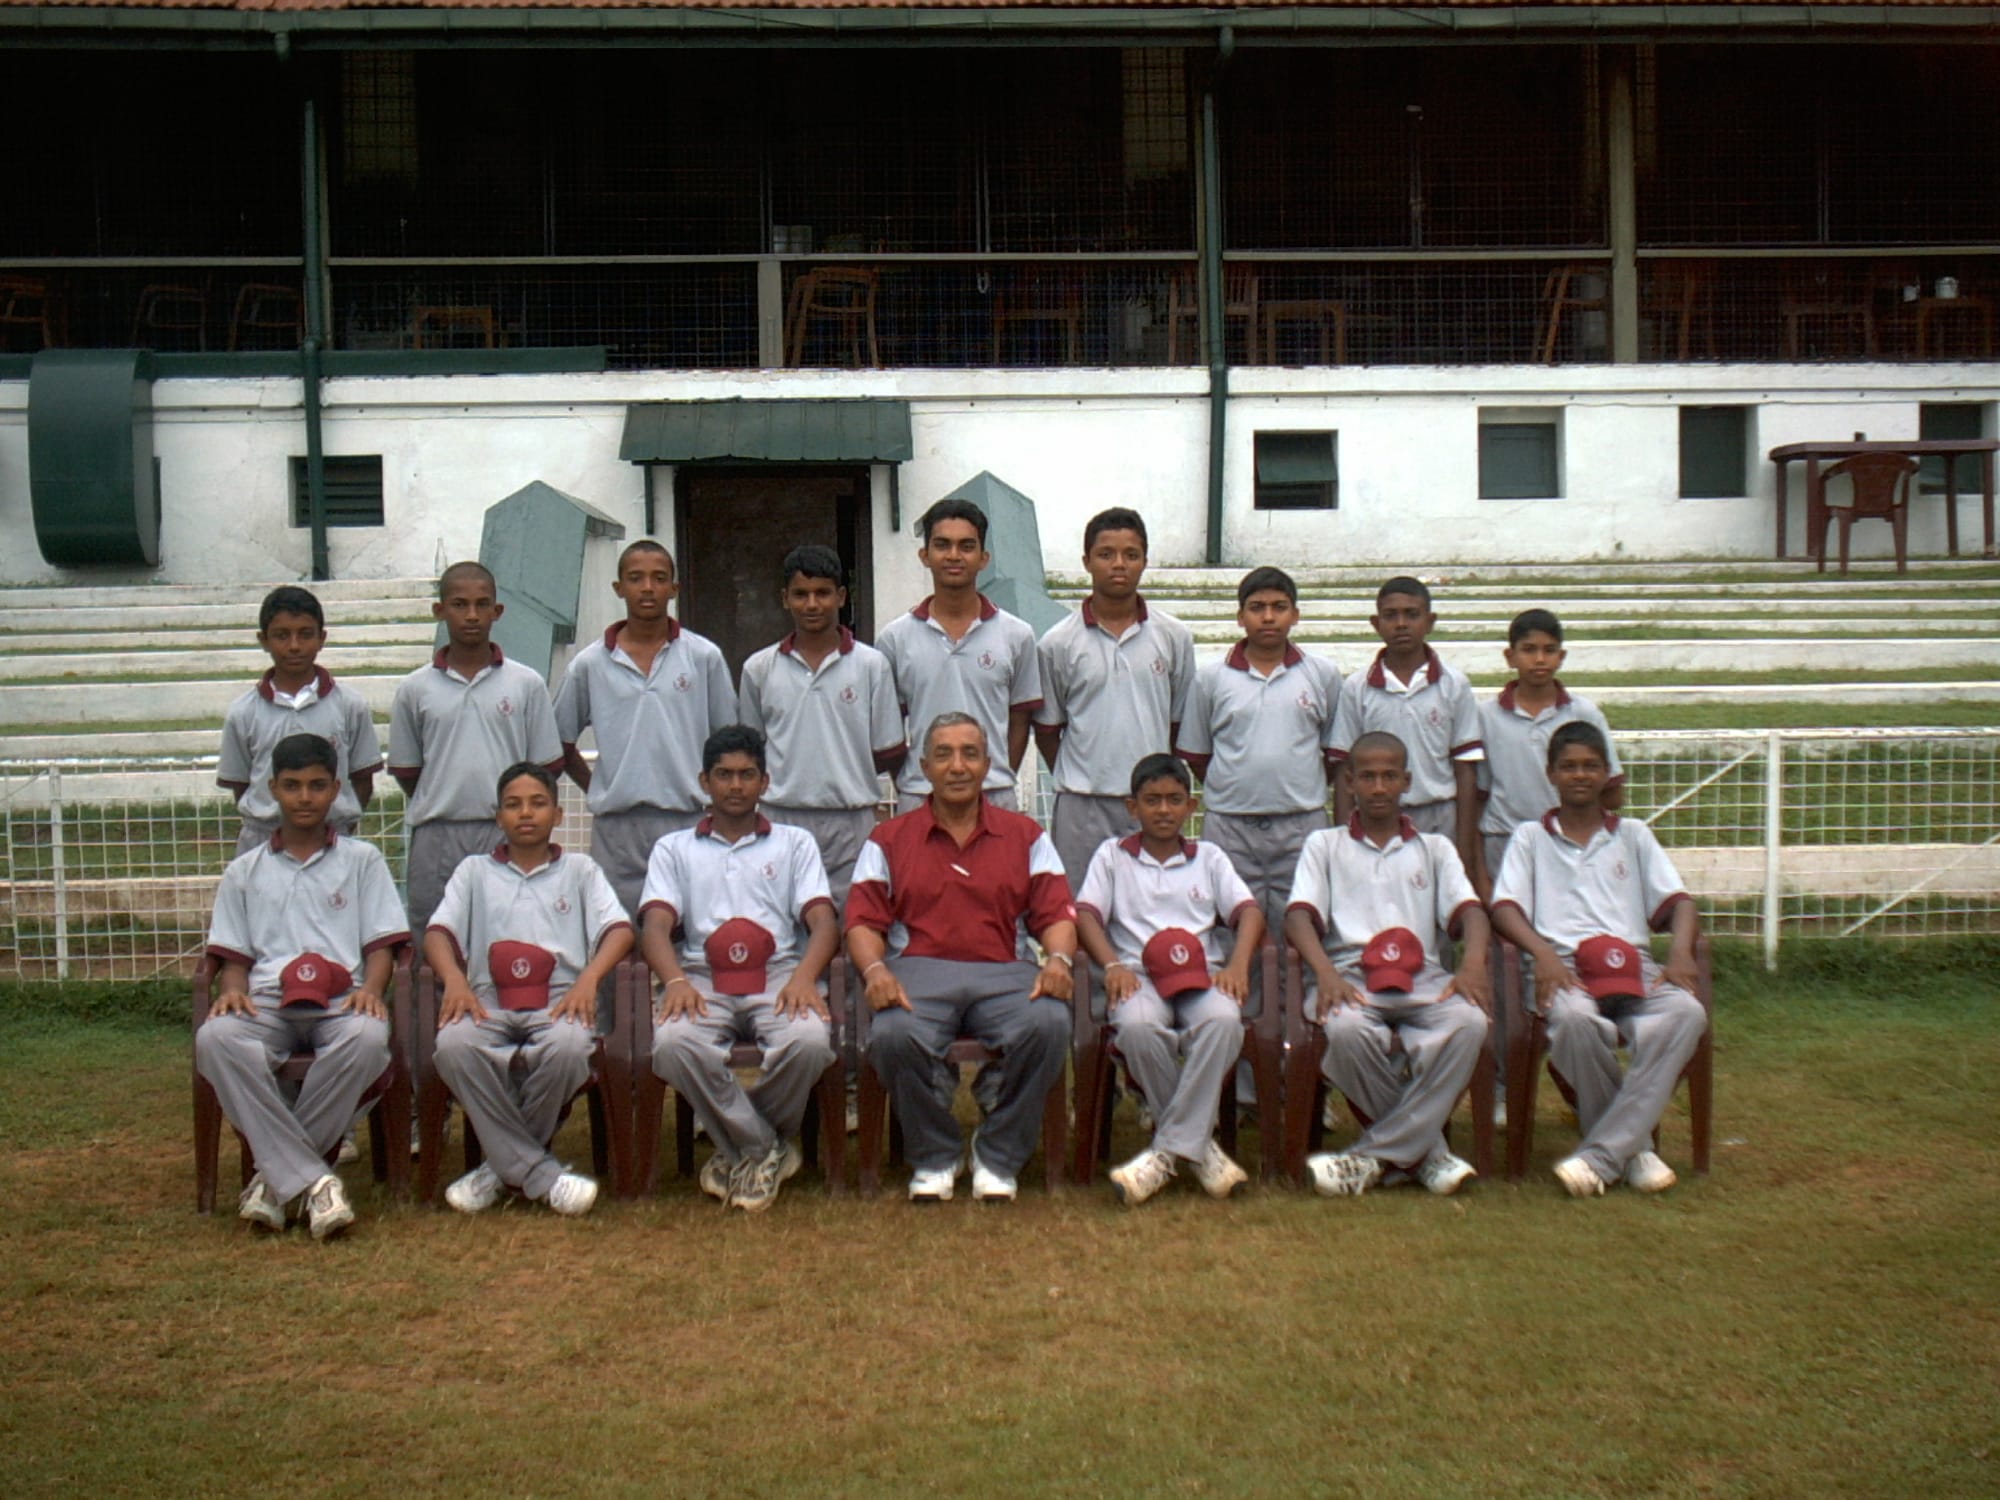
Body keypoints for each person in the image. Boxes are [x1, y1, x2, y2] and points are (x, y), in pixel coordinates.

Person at [845, 712, 1077, 1203]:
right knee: (893, 1034)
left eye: (970, 754)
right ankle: (935, 1155)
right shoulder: (888, 838)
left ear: (988, 765)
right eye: (944, 755)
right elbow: (863, 921)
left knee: (1050, 1022)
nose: (957, 766)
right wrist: (875, 970)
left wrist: (1059, 960)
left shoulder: (1025, 835)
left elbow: (1056, 911)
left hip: (1004, 969)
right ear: (924, 767)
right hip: (918, 971)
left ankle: (998, 1155)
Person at [195, 733, 408, 1240]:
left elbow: (381, 945)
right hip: (268, 1001)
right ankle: (316, 1183)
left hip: (341, 998)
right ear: (273, 789)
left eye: (316, 785)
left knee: (367, 1039)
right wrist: (232, 989)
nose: (305, 798)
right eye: (292, 786)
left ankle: (273, 1184)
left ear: (336, 788)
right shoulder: (245, 870)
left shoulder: (362, 861)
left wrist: (372, 989)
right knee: (216, 1038)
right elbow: (234, 957)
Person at [1489, 721, 1705, 1198]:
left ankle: (1602, 1156)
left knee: (1687, 1012)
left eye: (1590, 766)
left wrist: (1681, 953)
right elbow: (1504, 908)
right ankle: (1635, 1151)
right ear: (1551, 774)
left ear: (1607, 773)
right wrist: (1542, 953)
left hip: (1634, 967)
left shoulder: (1632, 834)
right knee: (1574, 1023)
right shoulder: (1530, 837)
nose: (1580, 775)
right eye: (1569, 767)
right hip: (1564, 970)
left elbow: (1680, 903)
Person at [639, 725, 840, 1213]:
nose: (735, 785)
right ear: (704, 782)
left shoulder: (794, 843)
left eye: (747, 774)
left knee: (810, 1042)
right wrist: (675, 981)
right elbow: (655, 926)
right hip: (700, 976)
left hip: (779, 973)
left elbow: (823, 921)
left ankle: (739, 1145)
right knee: (672, 1044)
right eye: (724, 775)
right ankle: (764, 1148)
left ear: (765, 782)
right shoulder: (673, 848)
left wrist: (804, 977)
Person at [1285, 731, 1492, 1199]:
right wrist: (1325, 973)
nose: (1378, 787)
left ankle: (1370, 1159)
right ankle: (1429, 1156)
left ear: (1406, 781)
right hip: (1351, 977)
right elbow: (1298, 916)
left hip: (1424, 978)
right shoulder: (1325, 844)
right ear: (1349, 782)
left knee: (1470, 1021)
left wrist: (1473, 964)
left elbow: (1471, 913)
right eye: (1368, 777)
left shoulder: (1435, 848)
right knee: (1345, 1031)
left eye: (1389, 776)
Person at [424, 761, 632, 1218]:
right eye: (513, 805)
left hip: (560, 997)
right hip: (488, 998)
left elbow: (619, 930)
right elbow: (438, 933)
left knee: (569, 1049)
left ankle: (500, 1170)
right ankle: (539, 1174)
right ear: (497, 816)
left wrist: (589, 979)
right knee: (454, 1046)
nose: (525, 813)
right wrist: (455, 979)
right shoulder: (474, 871)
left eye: (538, 803)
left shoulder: (580, 870)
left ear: (558, 814)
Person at [1074, 753, 1264, 1206]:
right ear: (1132, 807)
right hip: (1137, 976)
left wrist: (1238, 965)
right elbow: (1085, 915)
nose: (1164, 810)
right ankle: (1201, 1151)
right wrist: (1112, 966)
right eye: (1152, 800)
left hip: (1202, 974)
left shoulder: (1209, 857)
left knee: (1224, 1022)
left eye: (1175, 800)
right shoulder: (1112, 856)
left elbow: (1249, 912)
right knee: (1137, 1028)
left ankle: (1167, 1151)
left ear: (1191, 807)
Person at [553, 540, 734, 914]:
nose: (648, 588)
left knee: (692, 928)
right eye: (636, 578)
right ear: (618, 588)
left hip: (688, 818)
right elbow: (559, 743)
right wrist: (597, 786)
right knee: (616, 931)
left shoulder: (704, 657)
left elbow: (728, 742)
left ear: (674, 588)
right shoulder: (590, 664)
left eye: (659, 578)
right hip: (617, 828)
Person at [388, 561, 563, 933]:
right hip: (438, 832)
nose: (471, 615)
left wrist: (514, 812)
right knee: (434, 934)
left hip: (504, 830)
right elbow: (409, 773)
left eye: (482, 604)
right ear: (439, 610)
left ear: (497, 611)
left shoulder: (526, 683)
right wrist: (447, 795)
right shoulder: (414, 689)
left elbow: (544, 769)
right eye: (459, 604)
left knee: (511, 932)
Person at [1174, 565, 1339, 942]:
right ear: (1240, 616)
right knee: (1231, 930)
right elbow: (1198, 756)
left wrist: (1296, 788)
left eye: (1279, 607)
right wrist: (1237, 787)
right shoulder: (1211, 679)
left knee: (1303, 930)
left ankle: (1298, 985)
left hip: (1301, 823)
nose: (1268, 617)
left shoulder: (1322, 674)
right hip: (1231, 826)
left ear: (1295, 615)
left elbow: (1333, 752)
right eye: (1257, 607)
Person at [1035, 507, 1195, 894]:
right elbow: (1048, 731)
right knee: (1078, 906)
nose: (1119, 564)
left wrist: (1157, 787)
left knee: (1152, 902)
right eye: (1106, 554)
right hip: (1081, 803)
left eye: (1131, 554)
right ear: (1086, 561)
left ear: (1145, 561)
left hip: (1149, 802)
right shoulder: (1057, 643)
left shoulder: (1174, 636)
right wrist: (1083, 775)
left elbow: (1179, 724)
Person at [737, 543, 906, 908]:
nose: (812, 604)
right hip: (782, 816)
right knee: (783, 921)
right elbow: (751, 752)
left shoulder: (871, 666)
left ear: (841, 596)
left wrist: (841, 775)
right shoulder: (759, 669)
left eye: (823, 593)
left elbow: (887, 751)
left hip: (851, 819)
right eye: (801, 594)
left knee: (854, 922)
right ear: (785, 599)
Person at [875, 497, 1042, 815]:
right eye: (942, 545)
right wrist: (913, 780)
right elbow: (889, 725)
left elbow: (1020, 718)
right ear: (925, 555)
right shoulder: (895, 638)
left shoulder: (1016, 635)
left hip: (993, 795)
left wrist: (995, 776)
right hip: (920, 796)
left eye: (966, 546)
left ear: (984, 558)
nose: (954, 555)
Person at [1328, 576, 1483, 876]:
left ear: (1430, 621)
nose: (1401, 624)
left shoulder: (1454, 685)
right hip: (1376, 817)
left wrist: (1464, 851)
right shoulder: (1357, 688)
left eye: (1411, 614)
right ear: (1376, 623)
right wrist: (1345, 840)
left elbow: (1465, 769)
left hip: (1439, 816)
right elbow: (1344, 768)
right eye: (1391, 616)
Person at [217, 585, 380, 857]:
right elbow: (242, 786)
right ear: (263, 640)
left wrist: (335, 824)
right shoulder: (243, 712)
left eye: (305, 634)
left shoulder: (350, 705)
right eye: (282, 636)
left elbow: (362, 779)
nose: (294, 646)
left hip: (333, 840)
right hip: (263, 842)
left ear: (321, 638)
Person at [1473, 607, 1623, 903]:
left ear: (1561, 657)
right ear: (1510, 656)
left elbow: (1613, 793)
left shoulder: (1583, 713)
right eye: (1529, 650)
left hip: (1566, 846)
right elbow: (1478, 798)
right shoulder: (1486, 716)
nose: (1540, 659)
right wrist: (1479, 874)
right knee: (1508, 921)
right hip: (1503, 843)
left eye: (1549, 650)